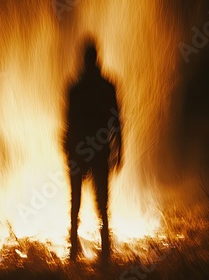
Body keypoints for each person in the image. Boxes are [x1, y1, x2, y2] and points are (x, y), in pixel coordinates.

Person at [64, 39, 123, 264]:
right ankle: (101, 249)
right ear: (96, 58)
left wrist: (69, 150)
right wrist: (119, 149)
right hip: (96, 151)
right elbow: (117, 123)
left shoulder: (77, 89)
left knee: (79, 202)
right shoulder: (105, 87)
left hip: (82, 152)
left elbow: (70, 124)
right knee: (98, 203)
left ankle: (79, 250)